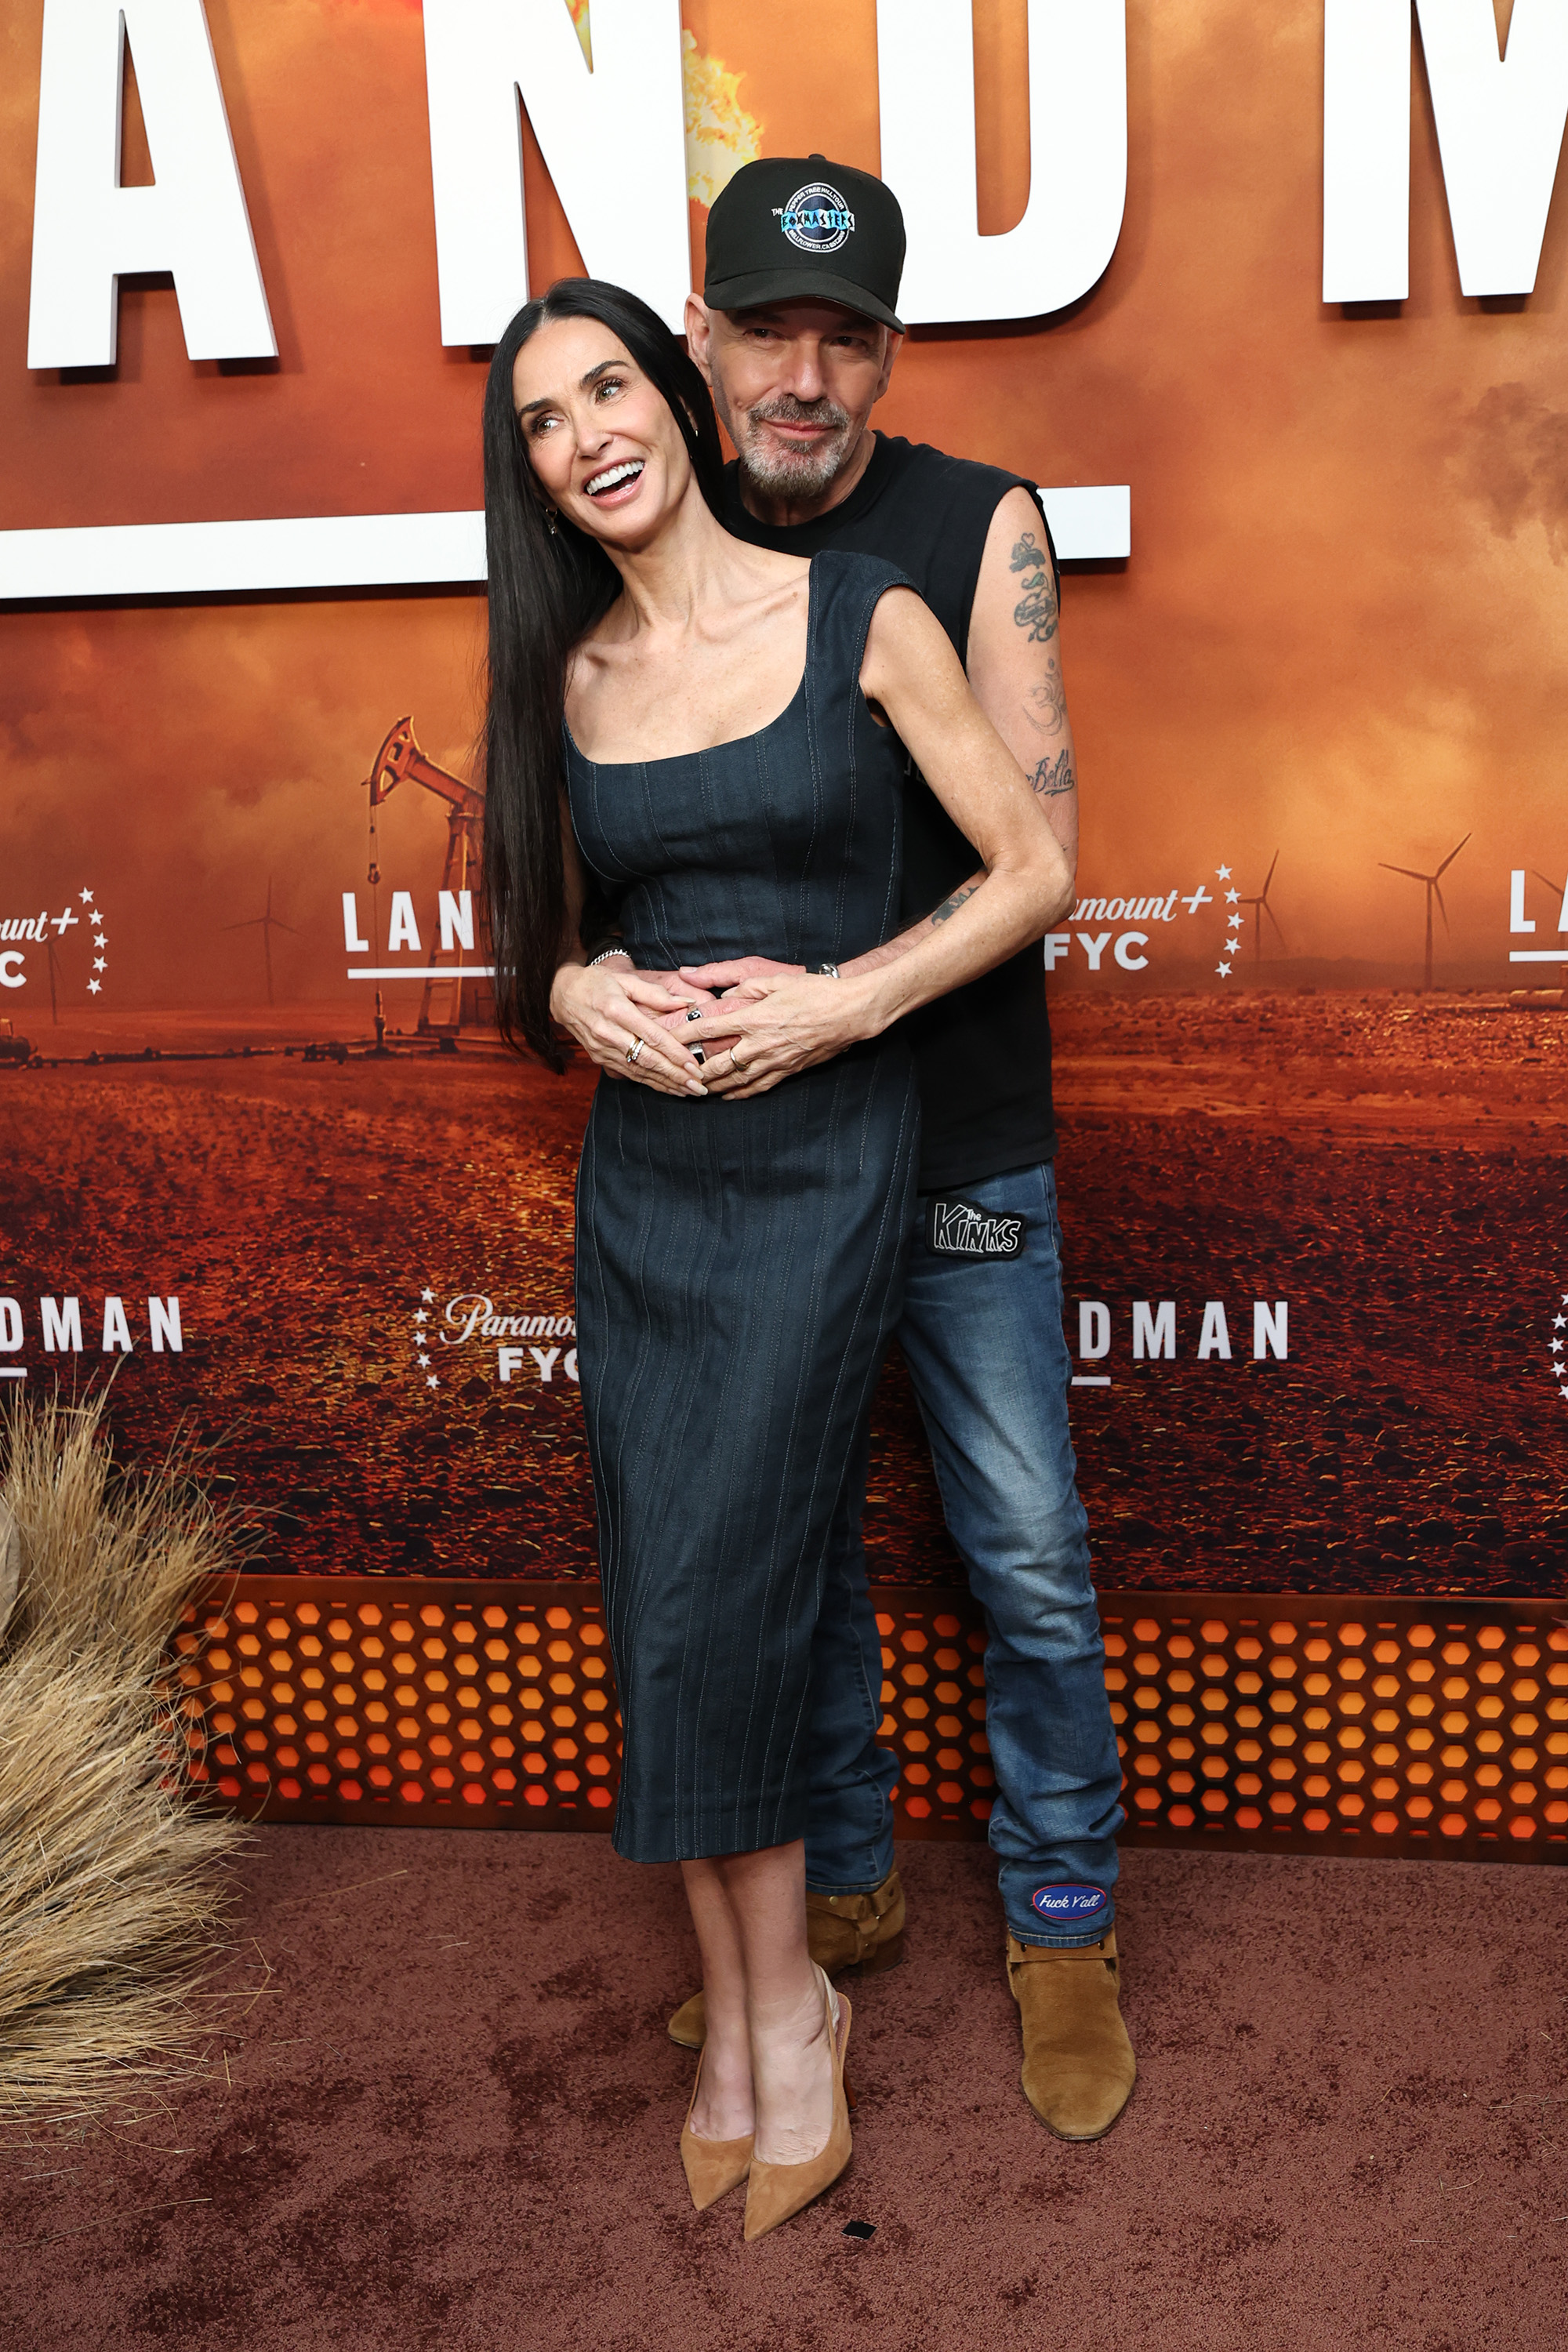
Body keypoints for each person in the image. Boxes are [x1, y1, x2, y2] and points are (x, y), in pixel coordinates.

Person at [550, 157, 1138, 2147]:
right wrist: (576, 990)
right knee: (771, 1557)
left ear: (888, 351)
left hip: (951, 1129)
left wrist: (839, 1001)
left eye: (846, 337)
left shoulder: (974, 530)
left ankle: (1062, 1910)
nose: (803, 374)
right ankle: (836, 1904)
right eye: (764, 332)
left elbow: (1036, 861)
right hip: (735, 1178)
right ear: (698, 341)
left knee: (1026, 1552)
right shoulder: (638, 561)